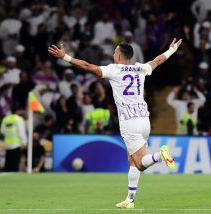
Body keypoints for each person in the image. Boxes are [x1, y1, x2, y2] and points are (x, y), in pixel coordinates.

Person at [48, 38, 182, 209]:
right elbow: (158, 60)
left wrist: (65, 57)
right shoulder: (140, 68)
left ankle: (160, 155)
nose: (113, 54)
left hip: (129, 122)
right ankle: (130, 199)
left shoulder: (114, 70)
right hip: (144, 119)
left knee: (140, 163)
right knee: (132, 161)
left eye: (114, 52)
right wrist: (171, 50)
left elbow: (88, 67)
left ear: (118, 55)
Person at [1, 106, 27, 172]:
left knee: (8, 163)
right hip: (16, 145)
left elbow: (2, 131)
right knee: (14, 164)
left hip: (7, 145)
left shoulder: (5, 119)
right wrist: (24, 143)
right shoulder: (18, 119)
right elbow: (21, 132)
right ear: (17, 111)